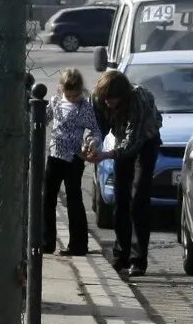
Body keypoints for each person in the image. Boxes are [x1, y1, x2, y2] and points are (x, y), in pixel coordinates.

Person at [95, 68, 162, 275]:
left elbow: (132, 144)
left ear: (122, 97)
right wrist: (91, 143)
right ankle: (120, 254)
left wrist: (106, 155)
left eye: (112, 99)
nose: (108, 103)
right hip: (120, 140)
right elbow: (97, 127)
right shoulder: (100, 99)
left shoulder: (138, 101)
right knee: (120, 198)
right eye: (105, 98)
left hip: (145, 141)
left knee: (139, 197)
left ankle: (138, 259)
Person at [44, 68, 101, 255]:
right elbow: (42, 119)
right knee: (47, 198)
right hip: (55, 155)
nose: (73, 98)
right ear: (61, 90)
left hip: (74, 157)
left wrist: (92, 141)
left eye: (76, 94)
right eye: (69, 95)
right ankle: (46, 242)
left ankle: (78, 245)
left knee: (74, 199)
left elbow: (94, 129)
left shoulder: (84, 107)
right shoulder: (55, 102)